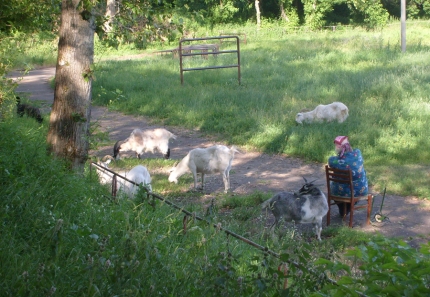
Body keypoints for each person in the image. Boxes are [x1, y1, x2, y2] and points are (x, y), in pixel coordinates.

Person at [328, 136, 368, 217]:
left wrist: (339, 156)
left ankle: (343, 209)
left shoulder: (334, 161)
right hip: (358, 191)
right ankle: (347, 208)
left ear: (339, 147)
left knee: (335, 184)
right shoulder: (358, 154)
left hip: (339, 192)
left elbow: (330, 161)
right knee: (356, 185)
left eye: (336, 146)